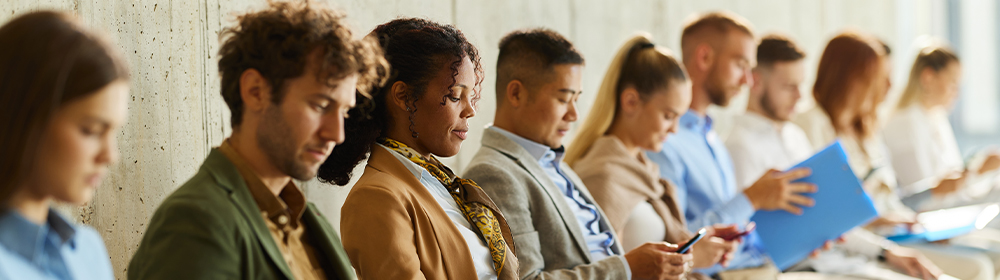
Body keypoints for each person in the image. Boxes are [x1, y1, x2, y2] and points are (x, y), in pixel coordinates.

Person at [127, 2, 386, 279]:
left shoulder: (308, 221)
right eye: (320, 105)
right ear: (255, 91)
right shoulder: (194, 222)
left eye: (344, 112)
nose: (337, 134)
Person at [464, 29, 694, 280]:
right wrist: (627, 269)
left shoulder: (555, 166)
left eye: (576, 99)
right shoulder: (494, 173)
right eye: (563, 99)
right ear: (516, 94)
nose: (574, 115)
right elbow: (526, 278)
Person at [727, 34, 943, 280]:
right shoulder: (741, 147)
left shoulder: (794, 136)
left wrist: (886, 252)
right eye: (789, 86)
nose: (800, 96)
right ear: (755, 82)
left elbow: (828, 218)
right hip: (803, 268)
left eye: (801, 85)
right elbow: (753, 239)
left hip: (838, 259)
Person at [321, 18, 518, 280]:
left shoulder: (441, 184)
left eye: (472, 97)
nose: (470, 111)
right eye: (455, 96)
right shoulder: (376, 198)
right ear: (403, 96)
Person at [793, 30, 998, 280]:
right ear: (851, 79)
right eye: (879, 78)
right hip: (868, 242)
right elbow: (828, 214)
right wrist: (884, 222)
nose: (888, 86)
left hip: (901, 230)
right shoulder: (810, 127)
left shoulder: (867, 130)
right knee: (979, 268)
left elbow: (892, 197)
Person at [645, 11, 821, 278]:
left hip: (758, 266)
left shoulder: (711, 137)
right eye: (740, 65)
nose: (748, 81)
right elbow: (677, 245)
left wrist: (804, 240)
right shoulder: (665, 142)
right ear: (704, 58)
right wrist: (752, 197)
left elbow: (734, 236)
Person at [566, 33, 749, 278]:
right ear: (631, 102)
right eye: (668, 116)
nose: (674, 130)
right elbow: (607, 272)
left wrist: (695, 244)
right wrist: (691, 259)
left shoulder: (642, 169)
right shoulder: (604, 175)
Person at [0, 11, 129, 280]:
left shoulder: (87, 250)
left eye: (113, 132)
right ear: (28, 118)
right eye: (91, 130)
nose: (110, 156)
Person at [884, 44, 1000, 211]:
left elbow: (953, 183)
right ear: (928, 78)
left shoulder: (936, 118)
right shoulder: (904, 125)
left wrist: (978, 171)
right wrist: (977, 173)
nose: (957, 93)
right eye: (953, 83)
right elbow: (922, 201)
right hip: (929, 220)